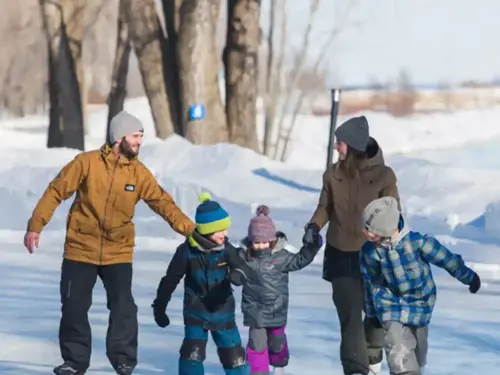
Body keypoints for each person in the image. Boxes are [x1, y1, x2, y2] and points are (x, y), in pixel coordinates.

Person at [24, 111, 196, 375]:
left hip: (118, 251)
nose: (139, 141)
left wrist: (190, 231)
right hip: (80, 248)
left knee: (123, 306)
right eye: (136, 136)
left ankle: (124, 359)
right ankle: (75, 361)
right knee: (73, 307)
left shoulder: (139, 173)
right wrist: (36, 226)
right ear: (119, 137)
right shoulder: (86, 163)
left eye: (141, 136)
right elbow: (56, 191)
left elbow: (163, 203)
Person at [303, 115, 400, 375]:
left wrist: (392, 239)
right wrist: (313, 227)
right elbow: (325, 207)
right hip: (340, 254)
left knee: (375, 314)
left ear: (354, 145)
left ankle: (372, 356)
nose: (336, 147)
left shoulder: (384, 176)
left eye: (340, 143)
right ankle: (356, 369)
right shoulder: (332, 175)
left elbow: (393, 212)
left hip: (375, 257)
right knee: (349, 317)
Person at [360, 196, 481, 375]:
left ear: (386, 228)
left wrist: (469, 277)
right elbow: (371, 282)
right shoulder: (370, 251)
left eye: (371, 230)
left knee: (418, 354)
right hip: (390, 305)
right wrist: (371, 315)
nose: (366, 233)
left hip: (421, 305)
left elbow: (447, 260)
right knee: (399, 352)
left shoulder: (418, 243)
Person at [152, 192, 252, 375]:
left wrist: (238, 275)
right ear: (207, 230)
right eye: (220, 229)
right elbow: (170, 280)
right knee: (192, 355)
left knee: (234, 357)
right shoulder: (186, 252)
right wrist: (160, 306)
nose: (226, 233)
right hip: (196, 314)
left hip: (224, 313)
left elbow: (243, 267)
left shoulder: (227, 250)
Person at [235, 205, 323, 375]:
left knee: (277, 342)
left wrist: (311, 247)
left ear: (272, 240)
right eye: (256, 242)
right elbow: (229, 263)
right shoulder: (244, 257)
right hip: (255, 312)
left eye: (263, 242)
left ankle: (279, 364)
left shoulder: (281, 257)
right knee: (256, 344)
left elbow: (300, 260)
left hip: (277, 311)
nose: (260, 246)